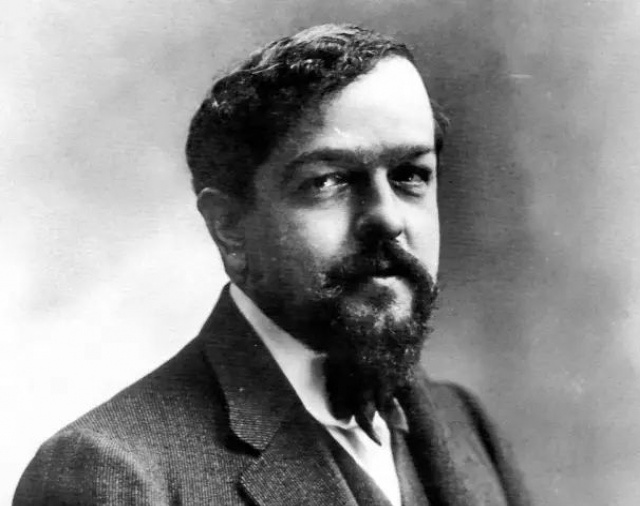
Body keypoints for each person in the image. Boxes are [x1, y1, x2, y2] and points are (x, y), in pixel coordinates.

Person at [14, 24, 531, 506]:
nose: (387, 219)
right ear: (229, 228)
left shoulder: (464, 423)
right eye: (328, 181)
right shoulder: (111, 472)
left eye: (410, 175)